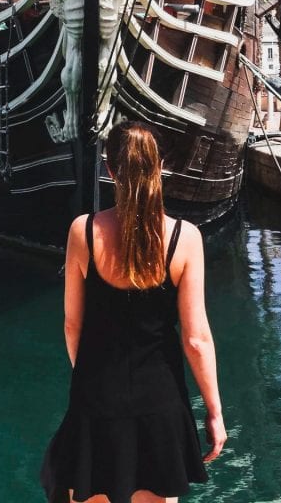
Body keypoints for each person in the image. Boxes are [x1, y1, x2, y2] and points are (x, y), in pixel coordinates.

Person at [41, 121, 226, 503]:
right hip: (161, 406)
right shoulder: (185, 239)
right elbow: (196, 339)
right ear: (159, 168)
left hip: (95, 401)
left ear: (110, 170)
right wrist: (214, 411)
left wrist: (89, 379)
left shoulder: (83, 232)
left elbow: (72, 324)